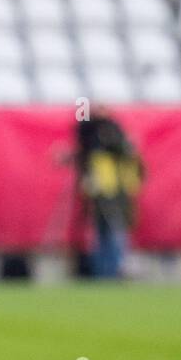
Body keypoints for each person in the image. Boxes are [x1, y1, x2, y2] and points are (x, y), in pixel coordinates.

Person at [73, 106, 144, 278]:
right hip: (107, 191)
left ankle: (111, 269)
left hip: (112, 191)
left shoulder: (106, 136)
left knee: (111, 232)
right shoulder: (98, 134)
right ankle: (108, 270)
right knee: (108, 232)